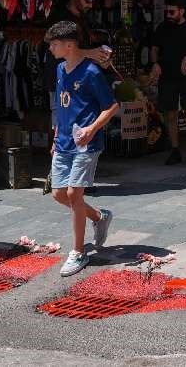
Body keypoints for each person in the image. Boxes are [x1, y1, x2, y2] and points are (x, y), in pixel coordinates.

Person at [46, 21, 119, 277]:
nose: (51, 48)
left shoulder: (91, 72)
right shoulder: (59, 69)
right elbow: (62, 105)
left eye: (54, 44)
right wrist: (56, 137)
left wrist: (92, 130)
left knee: (74, 194)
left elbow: (111, 107)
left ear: (69, 45)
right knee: (58, 194)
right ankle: (99, 217)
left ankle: (78, 252)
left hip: (86, 143)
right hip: (64, 141)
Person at [44, 0, 112, 129]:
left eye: (92, 1)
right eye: (87, 0)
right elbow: (61, 51)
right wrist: (91, 54)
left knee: (79, 124)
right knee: (61, 126)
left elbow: (81, 51)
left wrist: (98, 59)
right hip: (61, 80)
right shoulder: (60, 18)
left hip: (79, 80)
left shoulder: (82, 19)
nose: (90, 5)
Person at [151, 0, 186, 165]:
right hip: (167, 76)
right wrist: (155, 64)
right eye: (167, 11)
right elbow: (154, 48)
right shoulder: (162, 28)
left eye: (172, 12)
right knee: (170, 112)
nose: (168, 14)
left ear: (181, 11)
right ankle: (175, 149)